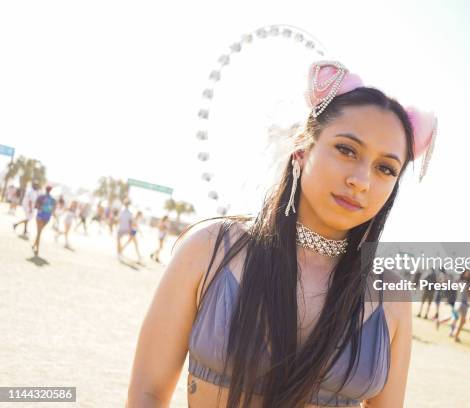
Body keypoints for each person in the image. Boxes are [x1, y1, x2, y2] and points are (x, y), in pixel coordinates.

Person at [126, 60, 437, 407]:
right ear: (303, 150)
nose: (361, 181)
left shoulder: (389, 294)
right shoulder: (210, 247)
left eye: (385, 168)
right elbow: (147, 393)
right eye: (347, 150)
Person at [31, 185, 57, 256]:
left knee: (39, 232)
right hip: (47, 217)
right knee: (39, 232)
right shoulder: (53, 199)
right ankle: (34, 245)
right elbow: (53, 210)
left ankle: (37, 248)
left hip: (40, 215)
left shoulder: (41, 196)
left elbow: (36, 206)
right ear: (51, 190)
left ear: (46, 189)